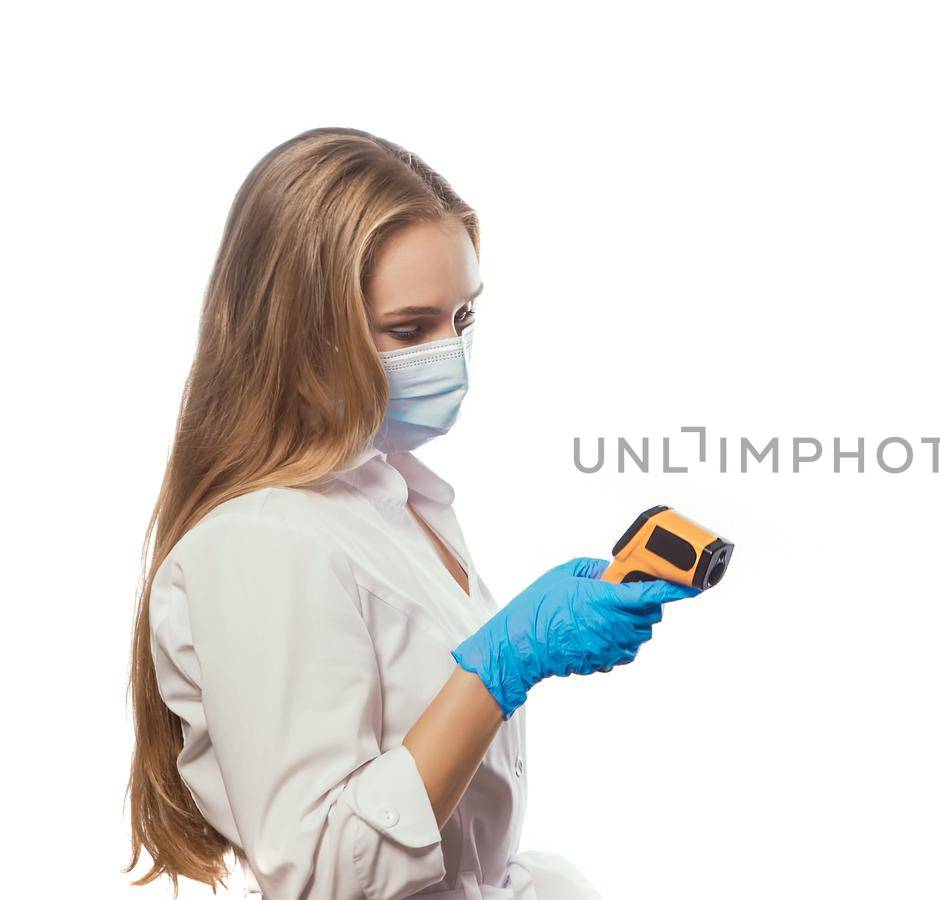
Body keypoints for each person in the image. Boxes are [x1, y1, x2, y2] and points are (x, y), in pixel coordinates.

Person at [122, 127, 697, 899]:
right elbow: (323, 876)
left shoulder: (390, 496)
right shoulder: (260, 542)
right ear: (298, 333)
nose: (450, 357)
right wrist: (502, 665)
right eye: (409, 329)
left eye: (463, 320)